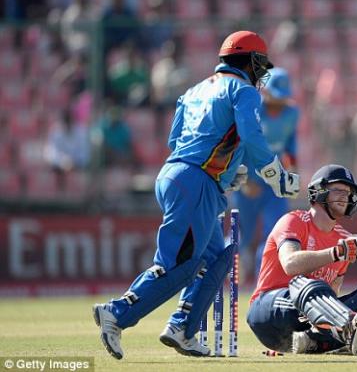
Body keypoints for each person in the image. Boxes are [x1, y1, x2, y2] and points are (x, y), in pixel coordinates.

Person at [92, 30, 300, 360]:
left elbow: (178, 142)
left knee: (218, 258)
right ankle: (116, 314)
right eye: (259, 64)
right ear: (247, 61)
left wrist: (228, 173)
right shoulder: (244, 91)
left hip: (178, 176)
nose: (261, 73)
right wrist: (275, 175)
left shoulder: (192, 92)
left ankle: (182, 328)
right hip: (196, 183)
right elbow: (250, 135)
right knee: (180, 264)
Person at [247, 164, 357, 355]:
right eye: (339, 190)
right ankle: (346, 328)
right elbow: (290, 264)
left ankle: (320, 340)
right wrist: (337, 252)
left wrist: (342, 252)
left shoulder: (344, 239)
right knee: (304, 284)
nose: (345, 197)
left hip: (308, 324)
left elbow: (331, 294)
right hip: (269, 312)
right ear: (319, 192)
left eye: (348, 193)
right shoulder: (294, 221)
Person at [234, 67, 299, 282]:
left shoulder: (291, 113)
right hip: (248, 183)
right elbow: (238, 146)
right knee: (244, 233)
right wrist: (242, 181)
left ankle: (267, 279)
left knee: (276, 230)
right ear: (265, 91)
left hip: (275, 184)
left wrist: (292, 173)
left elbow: (290, 146)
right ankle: (237, 277)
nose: (279, 102)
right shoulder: (251, 110)